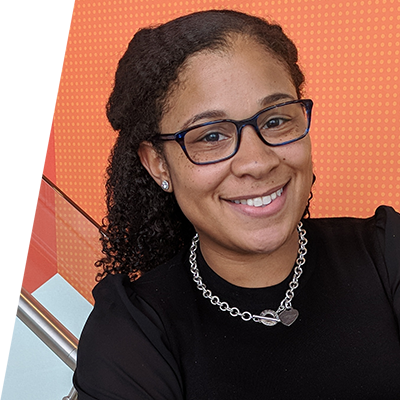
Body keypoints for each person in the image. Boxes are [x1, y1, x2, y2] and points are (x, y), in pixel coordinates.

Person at [73, 9, 400, 399]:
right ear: (158, 163)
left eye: (276, 121)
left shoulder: (386, 251)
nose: (257, 162)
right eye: (211, 136)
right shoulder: (133, 334)